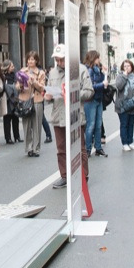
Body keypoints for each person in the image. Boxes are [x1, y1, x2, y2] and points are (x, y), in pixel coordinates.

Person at [46, 44, 92, 189]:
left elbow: (89, 91)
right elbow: (49, 92)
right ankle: (65, 176)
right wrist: (47, 95)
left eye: (62, 60)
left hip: (75, 115)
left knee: (80, 147)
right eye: (57, 60)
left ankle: (83, 176)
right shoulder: (53, 73)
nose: (59, 63)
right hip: (58, 115)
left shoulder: (81, 70)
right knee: (61, 149)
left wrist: (73, 93)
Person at [18, 51, 47, 158]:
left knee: (37, 125)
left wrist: (33, 81)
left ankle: (36, 149)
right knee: (26, 125)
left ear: (36, 61)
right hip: (25, 100)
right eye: (29, 59)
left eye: (33, 59)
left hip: (37, 100)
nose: (30, 61)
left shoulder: (41, 73)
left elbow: (42, 87)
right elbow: (17, 87)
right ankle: (28, 148)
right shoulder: (22, 71)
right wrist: (21, 84)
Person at [113, 59, 134, 151]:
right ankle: (125, 143)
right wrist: (124, 76)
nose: (127, 68)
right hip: (122, 105)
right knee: (124, 124)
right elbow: (119, 86)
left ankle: (131, 141)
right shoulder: (120, 76)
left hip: (133, 104)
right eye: (125, 66)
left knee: (131, 124)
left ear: (132, 67)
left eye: (128, 66)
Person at [83, 50, 106, 157]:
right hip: (91, 100)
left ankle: (98, 147)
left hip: (98, 99)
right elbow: (91, 86)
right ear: (93, 58)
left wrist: (103, 72)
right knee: (91, 125)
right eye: (98, 58)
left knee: (98, 125)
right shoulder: (89, 70)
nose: (99, 60)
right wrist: (102, 84)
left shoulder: (97, 69)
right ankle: (87, 149)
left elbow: (100, 81)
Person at [1, 59, 22, 145]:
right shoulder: (3, 77)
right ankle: (8, 138)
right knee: (7, 120)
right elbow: (3, 88)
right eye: (11, 66)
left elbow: (18, 86)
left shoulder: (15, 76)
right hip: (7, 100)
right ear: (7, 67)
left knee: (15, 118)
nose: (13, 67)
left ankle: (17, 136)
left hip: (15, 99)